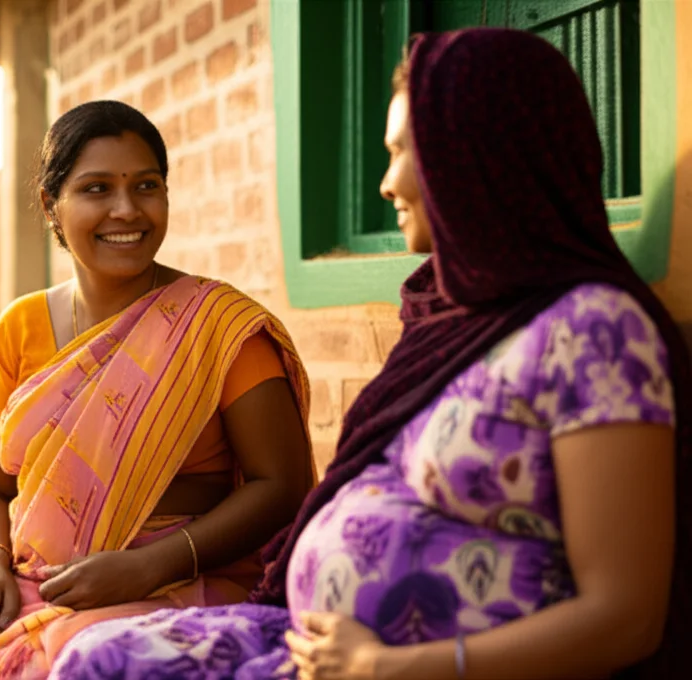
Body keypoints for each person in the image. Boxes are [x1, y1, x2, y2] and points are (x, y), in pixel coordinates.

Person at [48, 28, 692, 679]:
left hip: (411, 670)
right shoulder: (450, 317)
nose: (386, 184)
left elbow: (627, 618)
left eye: (403, 152)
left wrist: (391, 667)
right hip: (317, 649)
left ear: (475, 155)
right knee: (96, 657)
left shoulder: (595, 332)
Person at [0, 101, 314, 680]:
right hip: (27, 574)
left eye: (147, 185)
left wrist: (147, 567)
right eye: (96, 188)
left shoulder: (218, 328)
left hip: (182, 577)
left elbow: (284, 487)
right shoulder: (19, 328)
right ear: (51, 205)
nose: (126, 209)